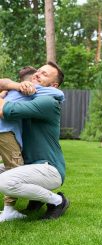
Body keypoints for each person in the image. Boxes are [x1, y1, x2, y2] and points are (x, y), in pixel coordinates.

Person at [0, 61, 69, 222]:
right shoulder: (26, 95)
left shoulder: (48, 102)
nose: (37, 74)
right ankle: (37, 199)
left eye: (44, 74)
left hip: (49, 168)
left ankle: (58, 201)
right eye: (38, 71)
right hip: (28, 165)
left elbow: (4, 111)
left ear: (54, 85)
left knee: (4, 182)